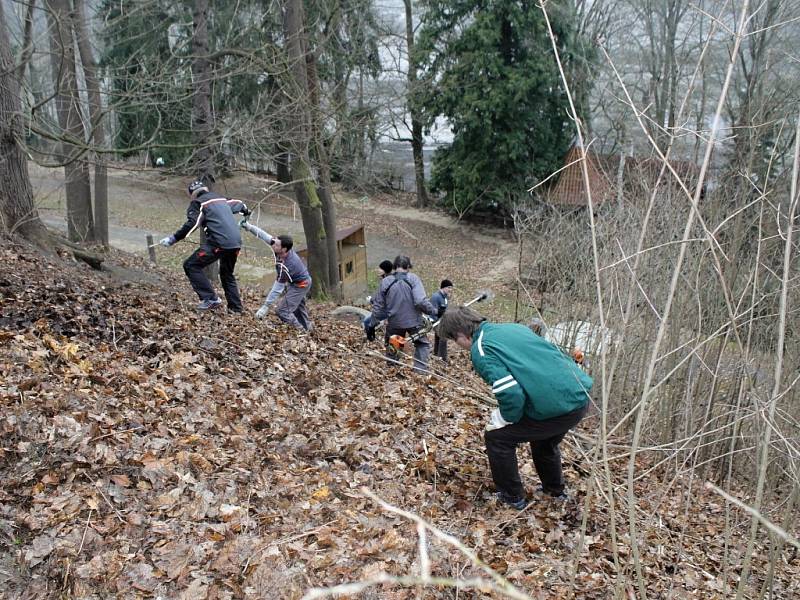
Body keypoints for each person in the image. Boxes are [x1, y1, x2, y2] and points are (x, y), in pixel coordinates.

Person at [437, 306, 593, 509]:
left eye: (454, 340)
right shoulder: (513, 328)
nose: (458, 345)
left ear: (460, 334)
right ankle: (555, 492)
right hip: (579, 395)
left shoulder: (481, 349)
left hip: (557, 407)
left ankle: (512, 498)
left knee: (497, 438)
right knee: (544, 442)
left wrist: (504, 417)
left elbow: (511, 393)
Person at [160, 180, 250, 312]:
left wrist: (173, 239)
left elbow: (192, 224)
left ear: (192, 195)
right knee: (227, 274)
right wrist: (246, 213)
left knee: (191, 265)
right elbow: (240, 205)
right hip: (235, 243)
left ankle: (210, 299)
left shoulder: (198, 203)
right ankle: (236, 309)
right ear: (206, 189)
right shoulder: (221, 198)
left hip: (219, 243)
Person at [240, 222, 313, 331]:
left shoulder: (288, 265)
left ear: (284, 249)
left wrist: (266, 306)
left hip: (300, 284)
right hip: (298, 280)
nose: (273, 245)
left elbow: (278, 288)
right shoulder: (280, 248)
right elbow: (264, 235)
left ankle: (300, 331)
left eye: (276, 244)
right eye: (274, 243)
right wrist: (249, 227)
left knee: (282, 311)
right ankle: (307, 329)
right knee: (297, 307)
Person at [371, 255, 437, 373]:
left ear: (395, 266)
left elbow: (378, 305)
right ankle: (420, 372)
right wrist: (433, 311)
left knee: (393, 344)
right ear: (408, 267)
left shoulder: (386, 281)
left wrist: (372, 323)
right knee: (422, 344)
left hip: (394, 321)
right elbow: (420, 301)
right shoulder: (413, 279)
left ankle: (392, 370)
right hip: (415, 322)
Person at [363, 260, 394, 341]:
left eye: (380, 268)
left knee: (366, 322)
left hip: (386, 310)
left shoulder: (385, 281)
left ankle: (371, 340)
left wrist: (373, 320)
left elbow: (379, 301)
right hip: (393, 310)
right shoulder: (393, 279)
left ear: (385, 270)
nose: (378, 270)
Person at [430, 279, 454, 363]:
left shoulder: (445, 297)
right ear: (443, 287)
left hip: (442, 321)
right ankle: (442, 358)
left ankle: (436, 353)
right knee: (444, 336)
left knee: (438, 337)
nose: (450, 290)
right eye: (448, 287)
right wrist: (437, 319)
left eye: (451, 288)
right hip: (435, 321)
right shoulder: (435, 296)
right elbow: (432, 311)